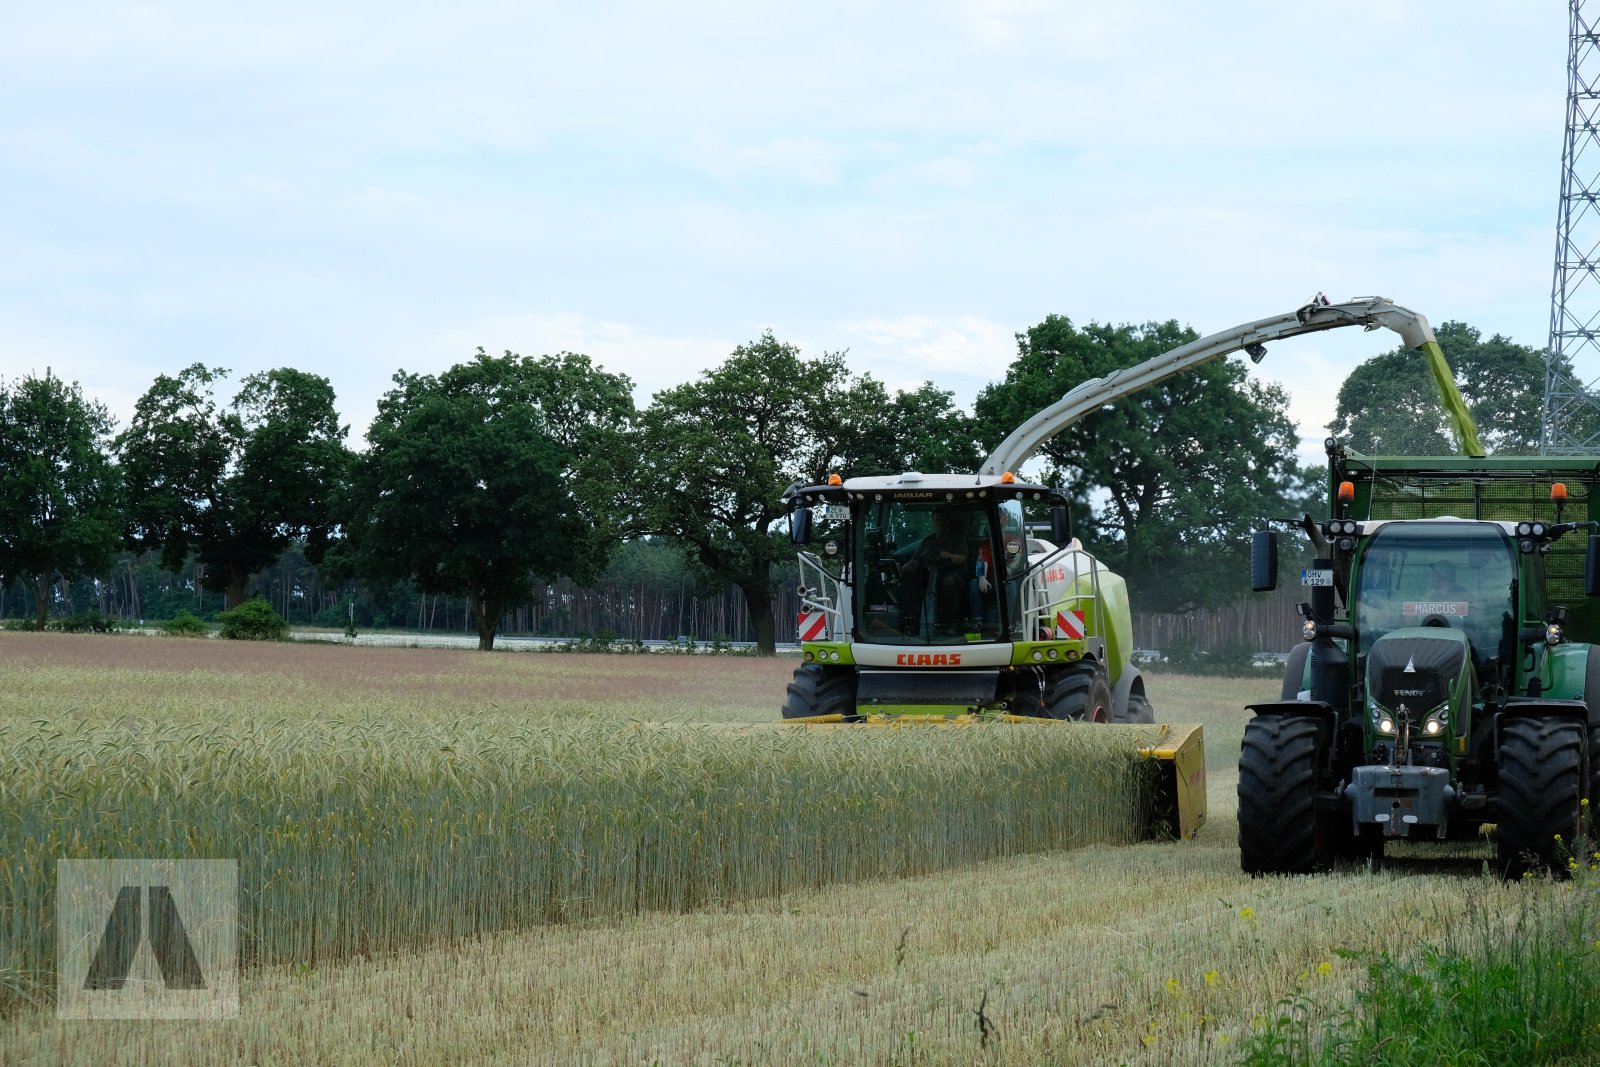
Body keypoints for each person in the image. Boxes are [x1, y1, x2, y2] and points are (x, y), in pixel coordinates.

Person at [897, 511, 971, 633]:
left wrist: (949, 555)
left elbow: (963, 558)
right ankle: (913, 620)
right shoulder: (927, 541)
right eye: (937, 521)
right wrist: (900, 572)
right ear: (933, 523)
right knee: (910, 581)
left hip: (953, 574)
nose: (940, 524)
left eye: (943, 521)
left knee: (949, 582)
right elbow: (915, 561)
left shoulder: (957, 540)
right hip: (930, 574)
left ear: (948, 523)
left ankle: (953, 623)